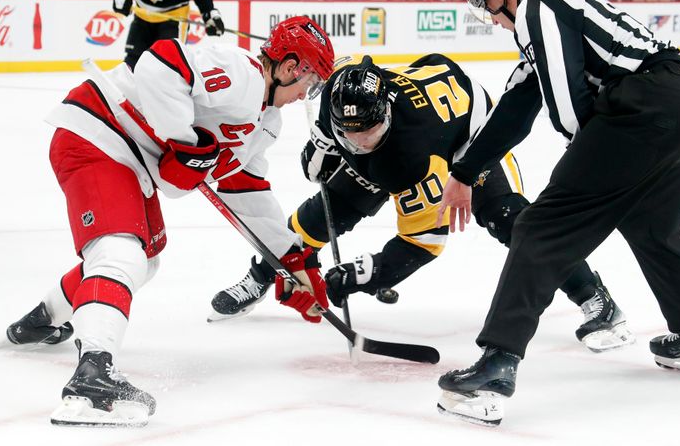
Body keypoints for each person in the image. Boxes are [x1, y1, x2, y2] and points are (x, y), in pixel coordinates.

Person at [435, 0, 680, 426]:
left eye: (481, 2)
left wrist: (581, 161)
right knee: (652, 226)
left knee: (539, 228)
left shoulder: (538, 2)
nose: (489, 17)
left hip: (649, 108)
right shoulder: (563, 8)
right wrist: (466, 172)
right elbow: (516, 107)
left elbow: (568, 100)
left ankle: (495, 365)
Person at [1, 16, 335, 427]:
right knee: (120, 253)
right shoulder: (240, 73)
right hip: (98, 134)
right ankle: (92, 377)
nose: (307, 94)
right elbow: (160, 63)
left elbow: (244, 188)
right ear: (288, 67)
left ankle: (42, 319)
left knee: (147, 258)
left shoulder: (267, 121)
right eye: (311, 82)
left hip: (128, 160)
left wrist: (295, 259)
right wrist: (183, 141)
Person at [208, 54, 632, 354]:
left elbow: (423, 242)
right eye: (348, 133)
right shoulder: (336, 96)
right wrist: (322, 149)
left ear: (387, 114)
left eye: (367, 132)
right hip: (411, 119)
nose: (357, 142)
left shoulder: (411, 156)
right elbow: (331, 141)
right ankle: (261, 274)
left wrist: (353, 277)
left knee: (516, 223)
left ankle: (596, 298)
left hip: (468, 138)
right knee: (322, 214)